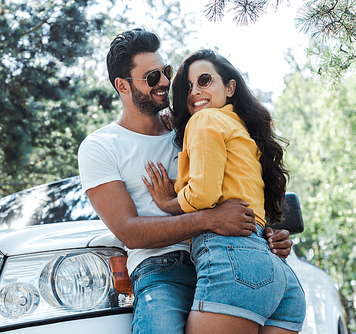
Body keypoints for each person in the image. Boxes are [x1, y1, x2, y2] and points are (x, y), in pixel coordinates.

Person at [78, 28, 293, 334]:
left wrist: (266, 231)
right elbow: (129, 231)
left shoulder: (192, 127)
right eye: (152, 77)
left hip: (229, 256)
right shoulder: (101, 146)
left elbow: (238, 188)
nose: (165, 81)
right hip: (162, 271)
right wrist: (211, 219)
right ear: (122, 86)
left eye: (165, 72)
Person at [142, 49, 306, 333]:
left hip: (233, 264)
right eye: (187, 87)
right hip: (280, 279)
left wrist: (168, 202)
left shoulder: (205, 120)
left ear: (230, 87)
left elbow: (204, 196)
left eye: (204, 80)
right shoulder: (242, 131)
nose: (195, 91)